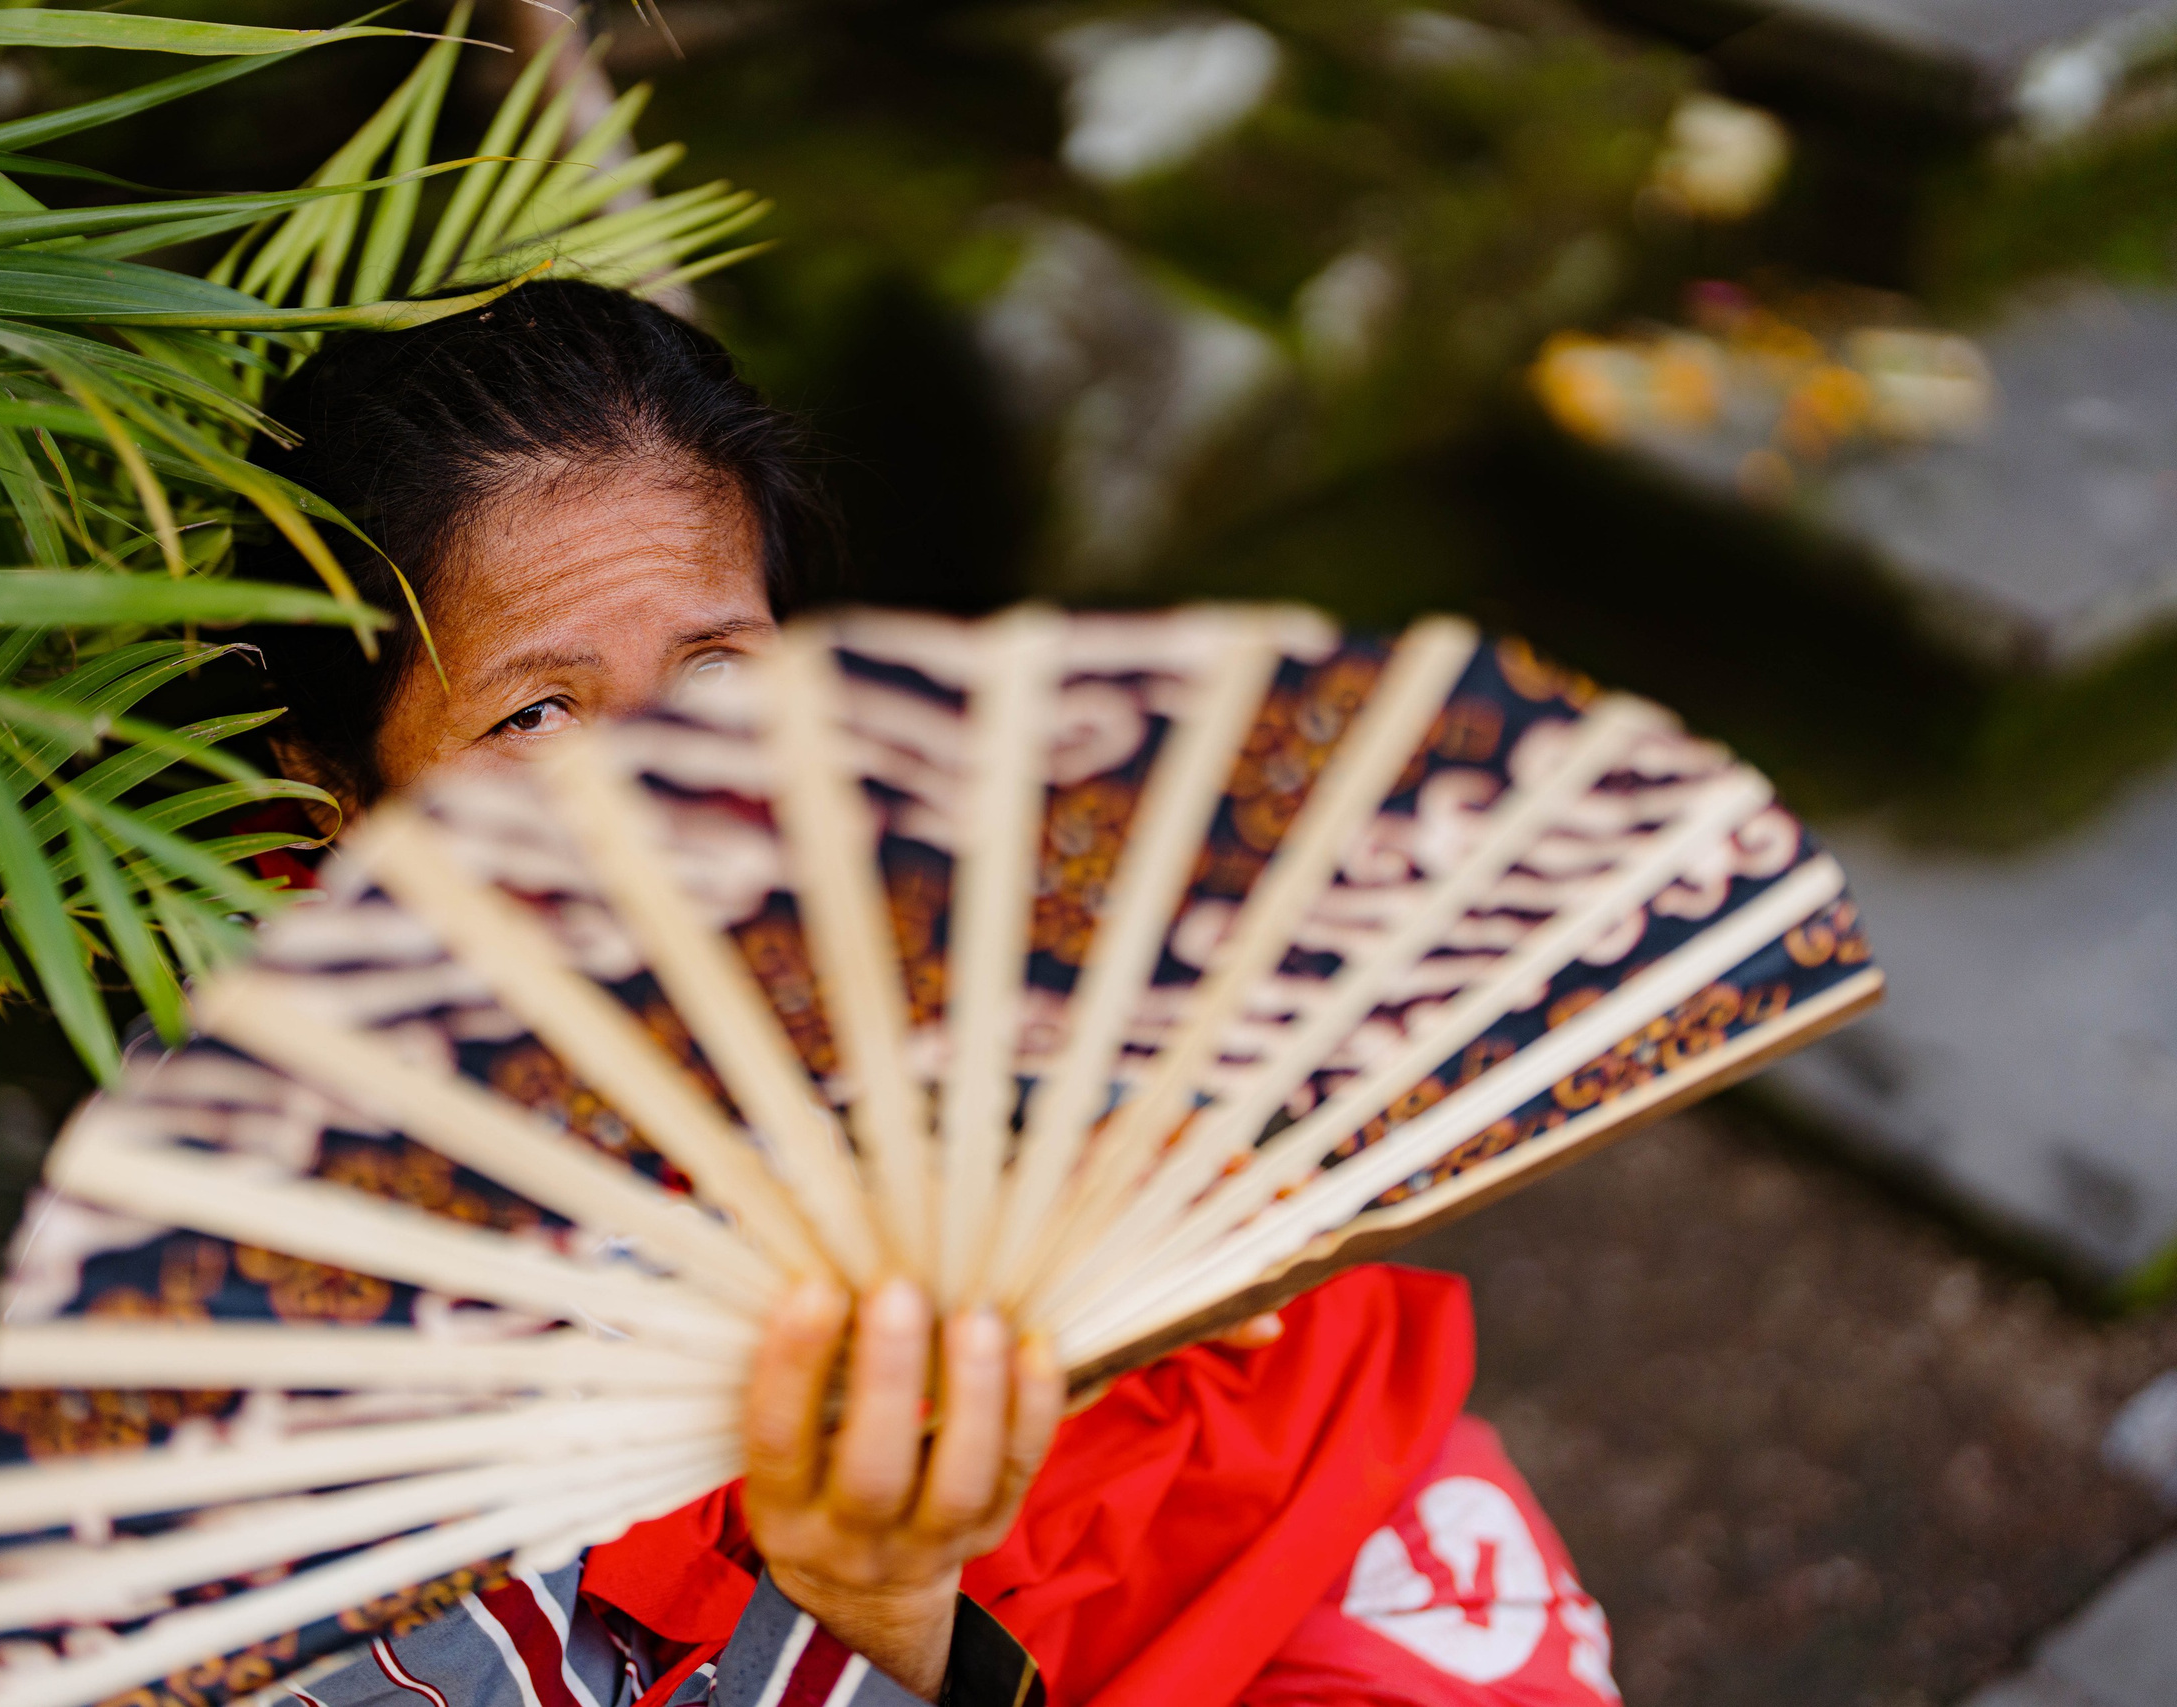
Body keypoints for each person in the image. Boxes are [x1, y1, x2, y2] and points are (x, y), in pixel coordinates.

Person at [234, 281, 1622, 1707]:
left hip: (1272, 1489)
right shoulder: (283, 1309)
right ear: (333, 789)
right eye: (538, 715)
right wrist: (865, 1598)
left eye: (718, 667)